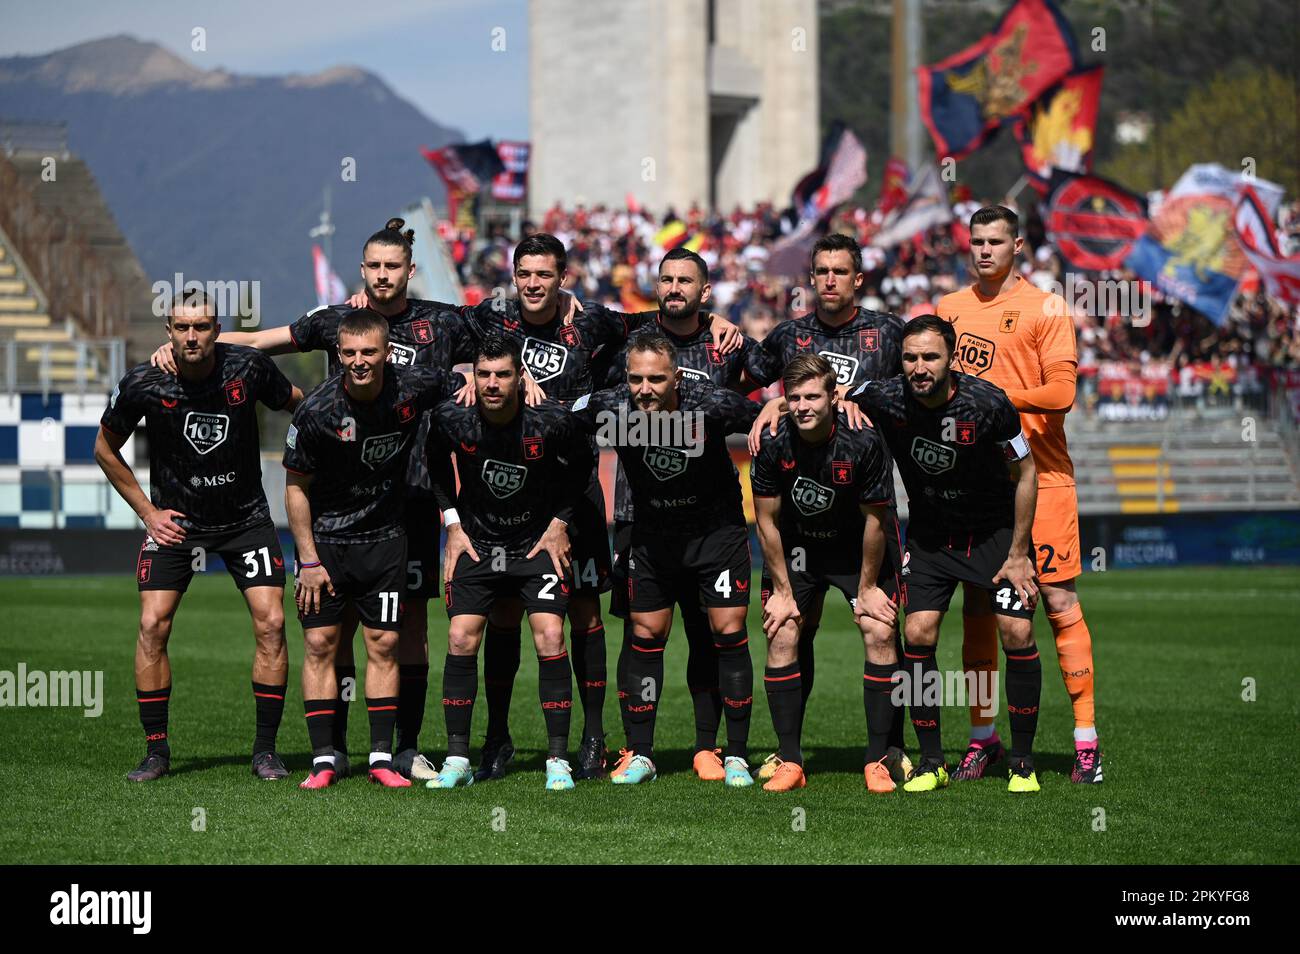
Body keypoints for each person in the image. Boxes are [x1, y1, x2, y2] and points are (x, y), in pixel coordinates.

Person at [150, 219, 478, 781]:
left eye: (392, 266)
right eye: (373, 266)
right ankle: (334, 750)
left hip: (417, 495)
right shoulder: (336, 323)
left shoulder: (442, 321)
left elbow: (500, 347)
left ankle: (403, 747)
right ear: (361, 271)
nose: (382, 275)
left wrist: (488, 374)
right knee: (334, 631)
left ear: (410, 270)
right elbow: (261, 341)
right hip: (341, 503)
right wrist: (191, 347)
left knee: (408, 629)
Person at [460, 233, 743, 783]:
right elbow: (432, 341)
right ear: (513, 277)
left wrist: (717, 321)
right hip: (510, 496)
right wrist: (460, 379)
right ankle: (496, 739)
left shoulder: (595, 322)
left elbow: (665, 316)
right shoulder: (490, 323)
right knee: (502, 614)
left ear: (562, 277)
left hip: (578, 492)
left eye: (545, 273)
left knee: (587, 614)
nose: (534, 283)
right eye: (525, 274)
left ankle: (594, 738)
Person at [96, 289, 302, 782]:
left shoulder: (248, 369)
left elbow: (300, 407)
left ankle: (266, 751)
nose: (193, 336)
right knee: (152, 625)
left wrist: (319, 464)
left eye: (203, 326)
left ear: (217, 329)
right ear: (168, 331)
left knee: (272, 623)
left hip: (246, 520)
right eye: (183, 327)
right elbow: (104, 448)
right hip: (177, 524)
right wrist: (148, 513)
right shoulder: (144, 382)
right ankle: (156, 751)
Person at [937, 205, 1103, 784]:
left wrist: (992, 396)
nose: (983, 250)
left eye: (995, 241)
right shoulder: (949, 310)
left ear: (1018, 245)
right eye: (976, 241)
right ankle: (983, 739)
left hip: (1044, 477)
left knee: (1056, 603)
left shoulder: (1047, 307)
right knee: (980, 608)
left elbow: (1062, 392)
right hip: (977, 486)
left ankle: (1086, 741)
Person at [847, 315, 1045, 794]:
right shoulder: (886, 396)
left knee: (1017, 631)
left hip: (995, 535)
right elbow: (827, 395)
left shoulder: (988, 402)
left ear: (951, 357)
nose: (919, 367)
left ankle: (1021, 763)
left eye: (930, 357)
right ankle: (932, 761)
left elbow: (1027, 473)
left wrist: (1019, 553)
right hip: (933, 538)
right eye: (911, 357)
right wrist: (774, 411)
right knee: (916, 632)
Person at [745, 232, 907, 780]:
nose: (830, 279)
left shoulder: (889, 332)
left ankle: (890, 748)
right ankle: (791, 754)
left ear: (858, 278)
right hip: (800, 514)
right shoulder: (789, 336)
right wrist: (769, 403)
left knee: (882, 623)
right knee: (792, 625)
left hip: (867, 503)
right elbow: (746, 376)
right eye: (822, 271)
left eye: (841, 271)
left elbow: (925, 384)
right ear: (810, 278)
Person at [570, 335, 761, 786]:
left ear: (676, 378)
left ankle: (732, 754)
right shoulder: (613, 405)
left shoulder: (710, 404)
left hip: (716, 535)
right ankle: (641, 753)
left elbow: (765, 418)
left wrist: (775, 407)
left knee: (728, 633)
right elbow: (564, 412)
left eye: (656, 379)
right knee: (645, 634)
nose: (645, 388)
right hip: (654, 538)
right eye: (636, 378)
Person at [282, 309, 459, 789]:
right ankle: (324, 759)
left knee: (383, 644)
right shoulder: (317, 411)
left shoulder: (412, 387)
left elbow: (462, 385)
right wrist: (308, 560)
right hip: (328, 546)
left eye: (369, 353)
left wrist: (523, 382)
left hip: (385, 542)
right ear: (339, 354)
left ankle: (381, 757)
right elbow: (295, 488)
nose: (359, 362)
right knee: (321, 644)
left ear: (386, 354)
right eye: (350, 353)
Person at [425, 336, 595, 791]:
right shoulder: (451, 417)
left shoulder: (551, 420)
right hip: (476, 545)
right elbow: (434, 462)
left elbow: (584, 464)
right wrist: (453, 524)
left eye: (503, 375)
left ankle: (557, 759)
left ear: (521, 378)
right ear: (473, 377)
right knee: (461, 637)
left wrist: (560, 522)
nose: (493, 384)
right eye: (484, 375)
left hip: (534, 544)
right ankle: (458, 758)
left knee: (551, 634)